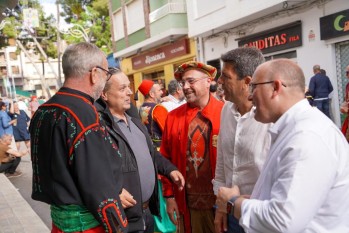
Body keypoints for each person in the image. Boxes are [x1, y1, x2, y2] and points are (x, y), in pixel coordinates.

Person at [217, 59, 349, 232]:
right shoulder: (293, 129)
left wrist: (235, 202)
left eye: (254, 87)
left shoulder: (307, 136)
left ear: (276, 88)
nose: (250, 96)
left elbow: (283, 221)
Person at [29, 42, 128, 233]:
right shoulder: (83, 113)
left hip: (59, 222)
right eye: (106, 74)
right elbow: (97, 181)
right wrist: (117, 224)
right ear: (94, 73)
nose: (105, 80)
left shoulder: (43, 111)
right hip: (87, 226)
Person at [95, 68, 185, 233]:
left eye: (128, 87)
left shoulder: (135, 121)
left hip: (146, 213)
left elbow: (152, 154)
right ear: (104, 95)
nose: (130, 92)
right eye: (122, 88)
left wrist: (170, 169)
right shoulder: (100, 129)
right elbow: (94, 170)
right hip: (124, 219)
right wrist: (113, 192)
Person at [160, 61, 224, 233]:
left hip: (222, 206)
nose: (185, 87)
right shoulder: (173, 117)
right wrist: (169, 196)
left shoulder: (226, 113)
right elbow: (165, 160)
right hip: (186, 205)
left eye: (191, 81)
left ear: (208, 81)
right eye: (183, 83)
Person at [213, 47, 271, 233]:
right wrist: (221, 206)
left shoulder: (270, 117)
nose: (219, 82)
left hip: (262, 216)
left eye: (226, 76)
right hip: (230, 213)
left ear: (246, 82)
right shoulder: (226, 110)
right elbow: (222, 162)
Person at [138, 79, 168, 148]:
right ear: (151, 94)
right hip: (162, 149)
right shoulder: (158, 108)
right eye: (159, 90)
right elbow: (168, 131)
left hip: (150, 148)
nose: (162, 92)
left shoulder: (142, 107)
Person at [341, 64, 349, 142]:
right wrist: (344, 106)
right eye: (346, 73)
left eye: (348, 72)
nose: (346, 75)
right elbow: (346, 100)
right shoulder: (347, 86)